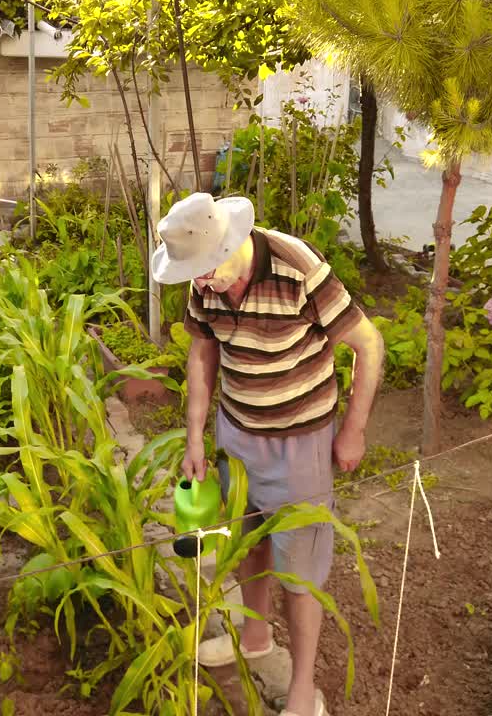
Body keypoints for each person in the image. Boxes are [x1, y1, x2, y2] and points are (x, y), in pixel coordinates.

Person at [151, 192, 384, 716]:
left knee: (298, 573)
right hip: (237, 434)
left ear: (232, 243)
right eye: (194, 275)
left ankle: (303, 692)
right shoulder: (204, 282)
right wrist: (194, 439)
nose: (202, 284)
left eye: (208, 271)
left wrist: (355, 430)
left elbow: (368, 345)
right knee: (247, 541)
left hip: (300, 443)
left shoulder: (295, 266)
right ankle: (254, 638)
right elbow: (202, 351)